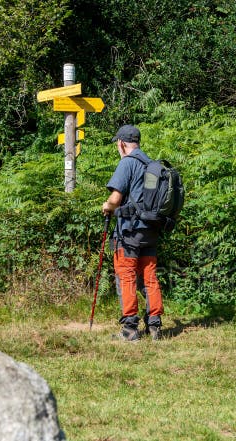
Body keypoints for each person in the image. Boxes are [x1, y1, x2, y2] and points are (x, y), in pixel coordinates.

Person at [101, 124, 164, 341]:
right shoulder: (152, 165)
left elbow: (115, 200)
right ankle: (155, 326)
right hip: (150, 230)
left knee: (126, 277)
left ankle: (129, 329)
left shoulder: (127, 163)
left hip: (129, 232)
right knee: (149, 277)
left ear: (121, 143)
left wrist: (107, 206)